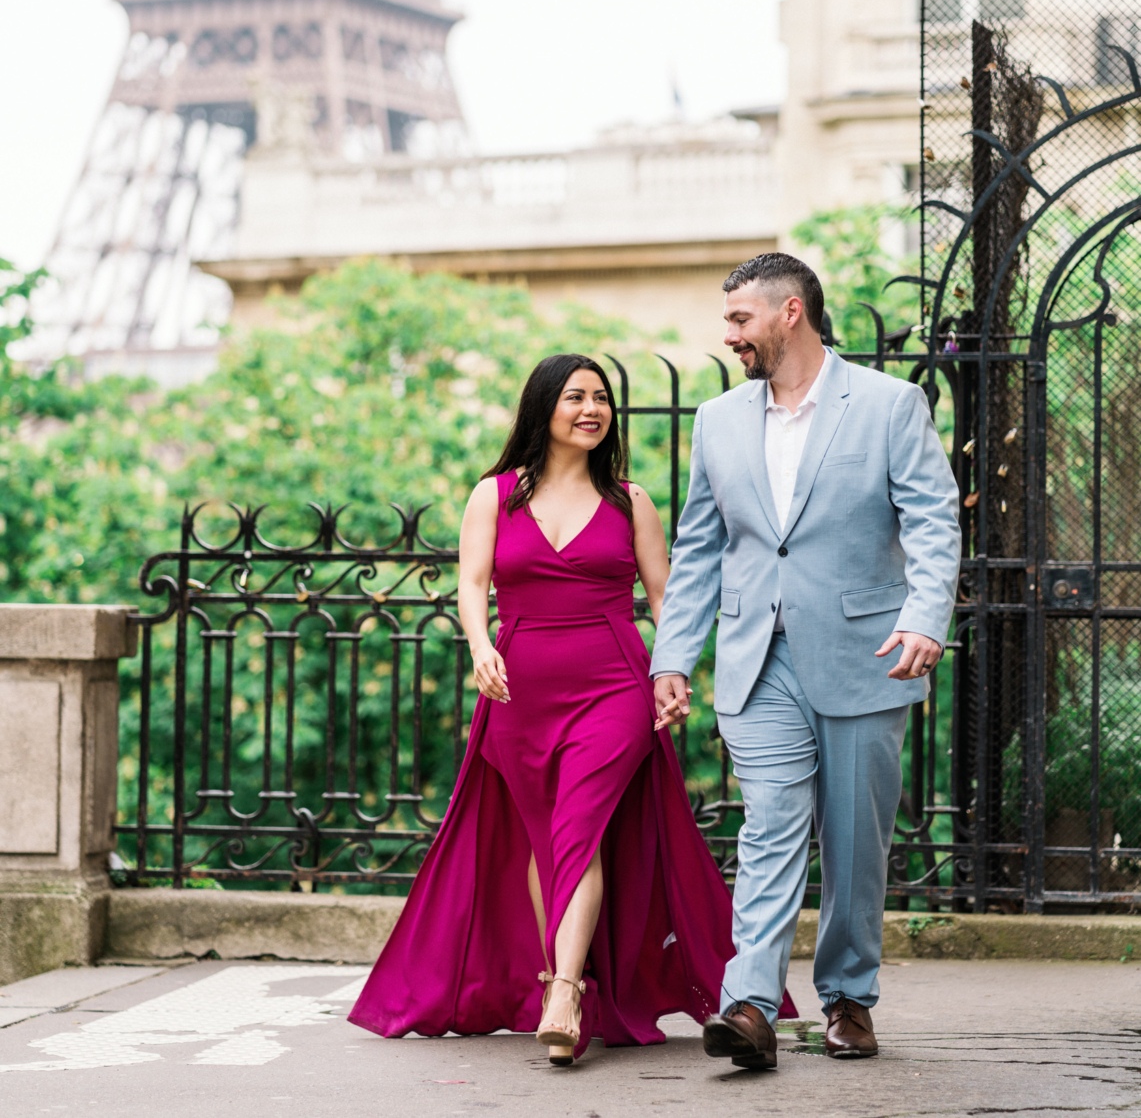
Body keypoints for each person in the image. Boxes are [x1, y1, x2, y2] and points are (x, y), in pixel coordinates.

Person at [349, 353, 795, 1065]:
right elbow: (470, 584)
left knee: (578, 829)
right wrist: (478, 644)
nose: (591, 409)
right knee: (545, 839)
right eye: (574, 397)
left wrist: (672, 672)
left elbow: (666, 599)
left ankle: (564, 990)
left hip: (613, 686)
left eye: (600, 399)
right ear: (542, 409)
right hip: (518, 689)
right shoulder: (493, 495)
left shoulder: (631, 501)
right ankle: (566, 979)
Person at [652, 253, 959, 1068]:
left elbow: (932, 522)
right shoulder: (716, 419)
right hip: (758, 660)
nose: (729, 336)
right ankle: (748, 1005)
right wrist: (671, 655)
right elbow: (698, 546)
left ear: (791, 312)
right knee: (769, 832)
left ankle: (849, 998)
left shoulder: (890, 406)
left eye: (740, 319)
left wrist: (925, 616)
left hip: (868, 654)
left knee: (855, 842)